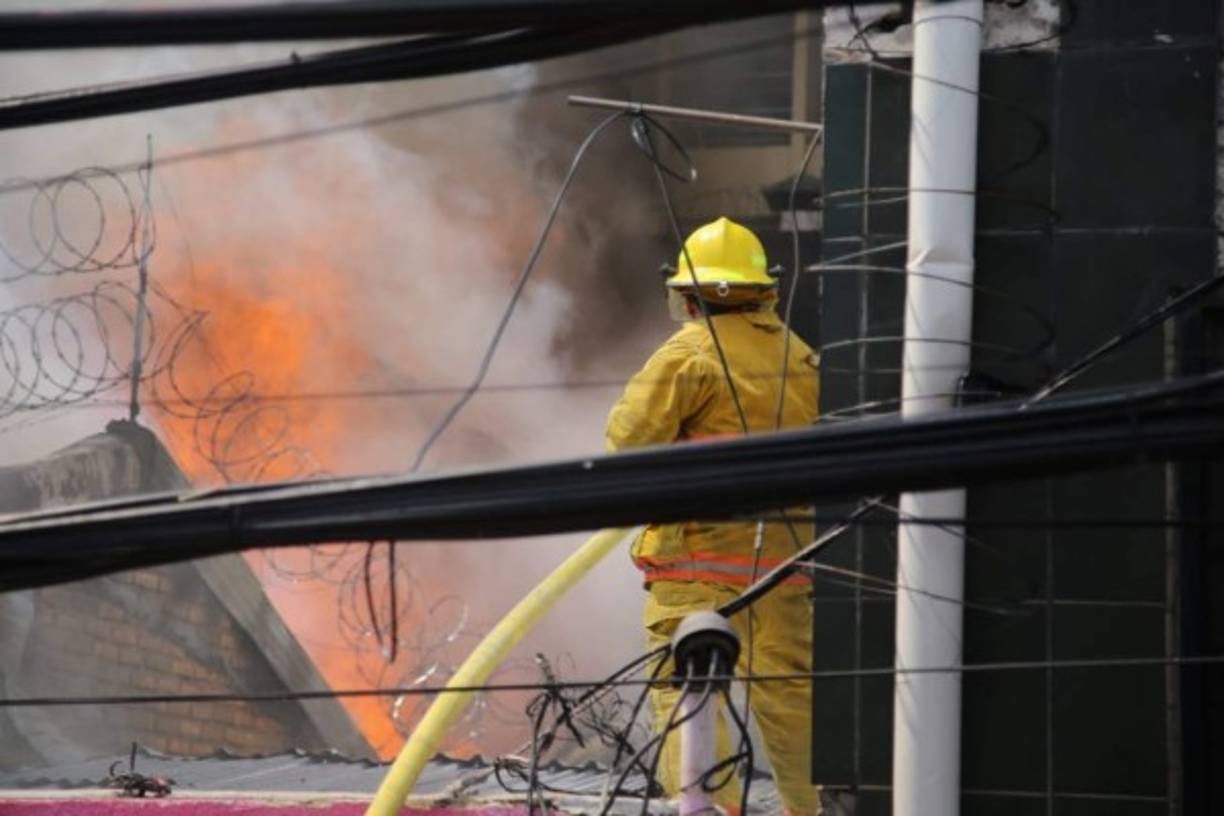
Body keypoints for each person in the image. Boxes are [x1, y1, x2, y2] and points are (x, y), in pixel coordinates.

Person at [605, 216, 821, 815]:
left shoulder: (688, 355)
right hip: (785, 571)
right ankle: (814, 810)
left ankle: (711, 810)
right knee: (791, 700)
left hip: (695, 573)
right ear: (763, 290)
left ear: (690, 296)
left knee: (689, 697)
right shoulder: (803, 358)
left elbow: (627, 441)